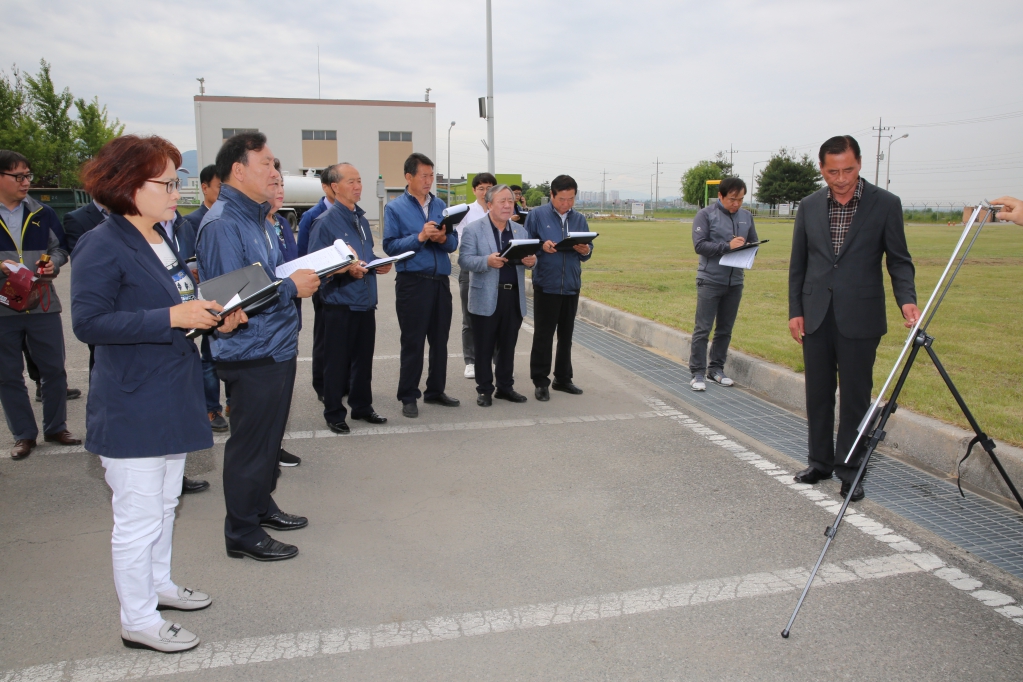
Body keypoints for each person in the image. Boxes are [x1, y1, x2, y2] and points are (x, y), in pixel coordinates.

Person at [71, 134, 247, 652]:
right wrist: (171, 316)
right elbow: (89, 322)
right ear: (128, 185)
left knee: (166, 503)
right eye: (168, 183)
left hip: (171, 391)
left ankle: (159, 587)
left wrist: (212, 320)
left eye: (178, 181)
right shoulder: (101, 243)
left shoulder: (160, 235)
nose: (179, 192)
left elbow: (182, 302)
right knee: (138, 518)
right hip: (133, 401)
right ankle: (139, 620)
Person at [196, 132, 320, 562]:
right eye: (266, 164)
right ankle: (242, 531)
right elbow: (234, 298)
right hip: (250, 352)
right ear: (239, 170)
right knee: (250, 444)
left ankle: (260, 505)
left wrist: (290, 277)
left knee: (268, 440)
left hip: (276, 345)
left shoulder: (257, 217)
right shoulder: (224, 223)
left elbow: (263, 274)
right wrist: (290, 286)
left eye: (275, 164)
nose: (275, 171)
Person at [788, 135, 919, 502]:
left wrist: (906, 299)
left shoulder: (886, 204)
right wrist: (794, 311)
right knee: (817, 393)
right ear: (822, 169)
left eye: (847, 169)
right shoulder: (809, 206)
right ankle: (819, 462)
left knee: (856, 397)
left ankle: (850, 469)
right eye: (833, 172)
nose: (841, 178)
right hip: (815, 314)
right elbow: (799, 264)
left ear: (860, 163)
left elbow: (899, 259)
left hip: (860, 315)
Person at [0, 150, 82, 460]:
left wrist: (54, 265)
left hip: (42, 302)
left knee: (53, 369)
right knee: (8, 374)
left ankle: (56, 426)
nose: (25, 182)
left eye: (28, 175)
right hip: (4, 306)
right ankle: (24, 434)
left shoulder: (42, 212)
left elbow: (59, 249)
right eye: (18, 176)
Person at [309, 162, 391, 433]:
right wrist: (346, 271)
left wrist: (379, 262)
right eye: (351, 182)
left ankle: (362, 406)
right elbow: (316, 268)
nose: (358, 186)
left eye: (359, 181)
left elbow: (364, 256)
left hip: (365, 301)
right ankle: (334, 412)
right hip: (339, 303)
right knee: (336, 362)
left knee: (363, 359)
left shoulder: (361, 219)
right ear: (334, 187)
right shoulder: (324, 223)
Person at [382, 153, 460, 418]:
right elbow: (390, 246)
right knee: (413, 342)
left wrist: (441, 238)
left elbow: (454, 243)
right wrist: (419, 237)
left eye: (431, 175)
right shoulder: (394, 208)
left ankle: (435, 391)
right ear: (409, 177)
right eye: (424, 176)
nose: (429, 181)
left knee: (440, 341)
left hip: (440, 283)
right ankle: (408, 395)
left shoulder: (441, 206)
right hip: (412, 283)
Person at [458, 185, 536, 406]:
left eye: (510, 201)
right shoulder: (474, 229)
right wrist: (486, 261)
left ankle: (505, 387)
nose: (507, 205)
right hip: (486, 296)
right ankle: (484, 389)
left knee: (508, 344)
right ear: (489, 204)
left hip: (513, 296)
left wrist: (532, 261)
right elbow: (464, 260)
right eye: (502, 201)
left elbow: (528, 258)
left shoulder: (520, 230)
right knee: (484, 345)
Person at [525, 174, 593, 401]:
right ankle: (540, 381)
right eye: (562, 199)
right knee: (543, 335)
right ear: (552, 195)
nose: (567, 204)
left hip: (571, 284)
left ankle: (563, 379)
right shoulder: (536, 215)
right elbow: (526, 244)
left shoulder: (580, 218)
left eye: (571, 199)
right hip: (547, 283)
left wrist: (586, 250)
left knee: (567, 336)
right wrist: (541, 246)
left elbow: (587, 249)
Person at [688, 177, 758, 391]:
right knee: (703, 328)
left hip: (735, 280)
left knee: (725, 329)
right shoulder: (706, 215)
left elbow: (754, 241)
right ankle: (697, 372)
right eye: (732, 199)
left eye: (741, 199)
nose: (736, 204)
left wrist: (749, 248)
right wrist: (727, 246)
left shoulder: (747, 216)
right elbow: (700, 246)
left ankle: (716, 369)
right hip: (710, 279)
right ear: (720, 196)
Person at [184, 165, 228, 434]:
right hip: (207, 297)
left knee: (234, 357)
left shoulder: (232, 217)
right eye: (218, 186)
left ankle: (235, 403)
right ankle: (212, 407)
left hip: (231, 295)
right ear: (204, 187)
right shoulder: (193, 220)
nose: (223, 191)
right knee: (209, 357)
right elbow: (187, 262)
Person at [266, 167, 301, 468]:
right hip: (264, 324)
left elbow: (292, 261)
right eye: (274, 184)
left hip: (287, 314)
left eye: (282, 184)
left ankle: (274, 446)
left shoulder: (280, 224)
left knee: (280, 397)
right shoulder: (244, 226)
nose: (280, 190)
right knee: (262, 401)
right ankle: (266, 451)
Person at [299, 164, 338, 402]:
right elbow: (303, 254)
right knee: (324, 337)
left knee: (344, 341)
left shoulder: (352, 212)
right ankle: (322, 385)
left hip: (348, 285)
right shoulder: (311, 216)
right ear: (326, 187)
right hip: (323, 284)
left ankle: (342, 382)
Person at [455, 172, 496, 379]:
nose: (485, 192)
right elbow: (462, 241)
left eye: (489, 188)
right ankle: (470, 361)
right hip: (470, 269)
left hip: (496, 269)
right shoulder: (466, 212)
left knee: (496, 316)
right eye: (481, 188)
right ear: (474, 190)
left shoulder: (500, 211)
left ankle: (497, 359)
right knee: (469, 316)